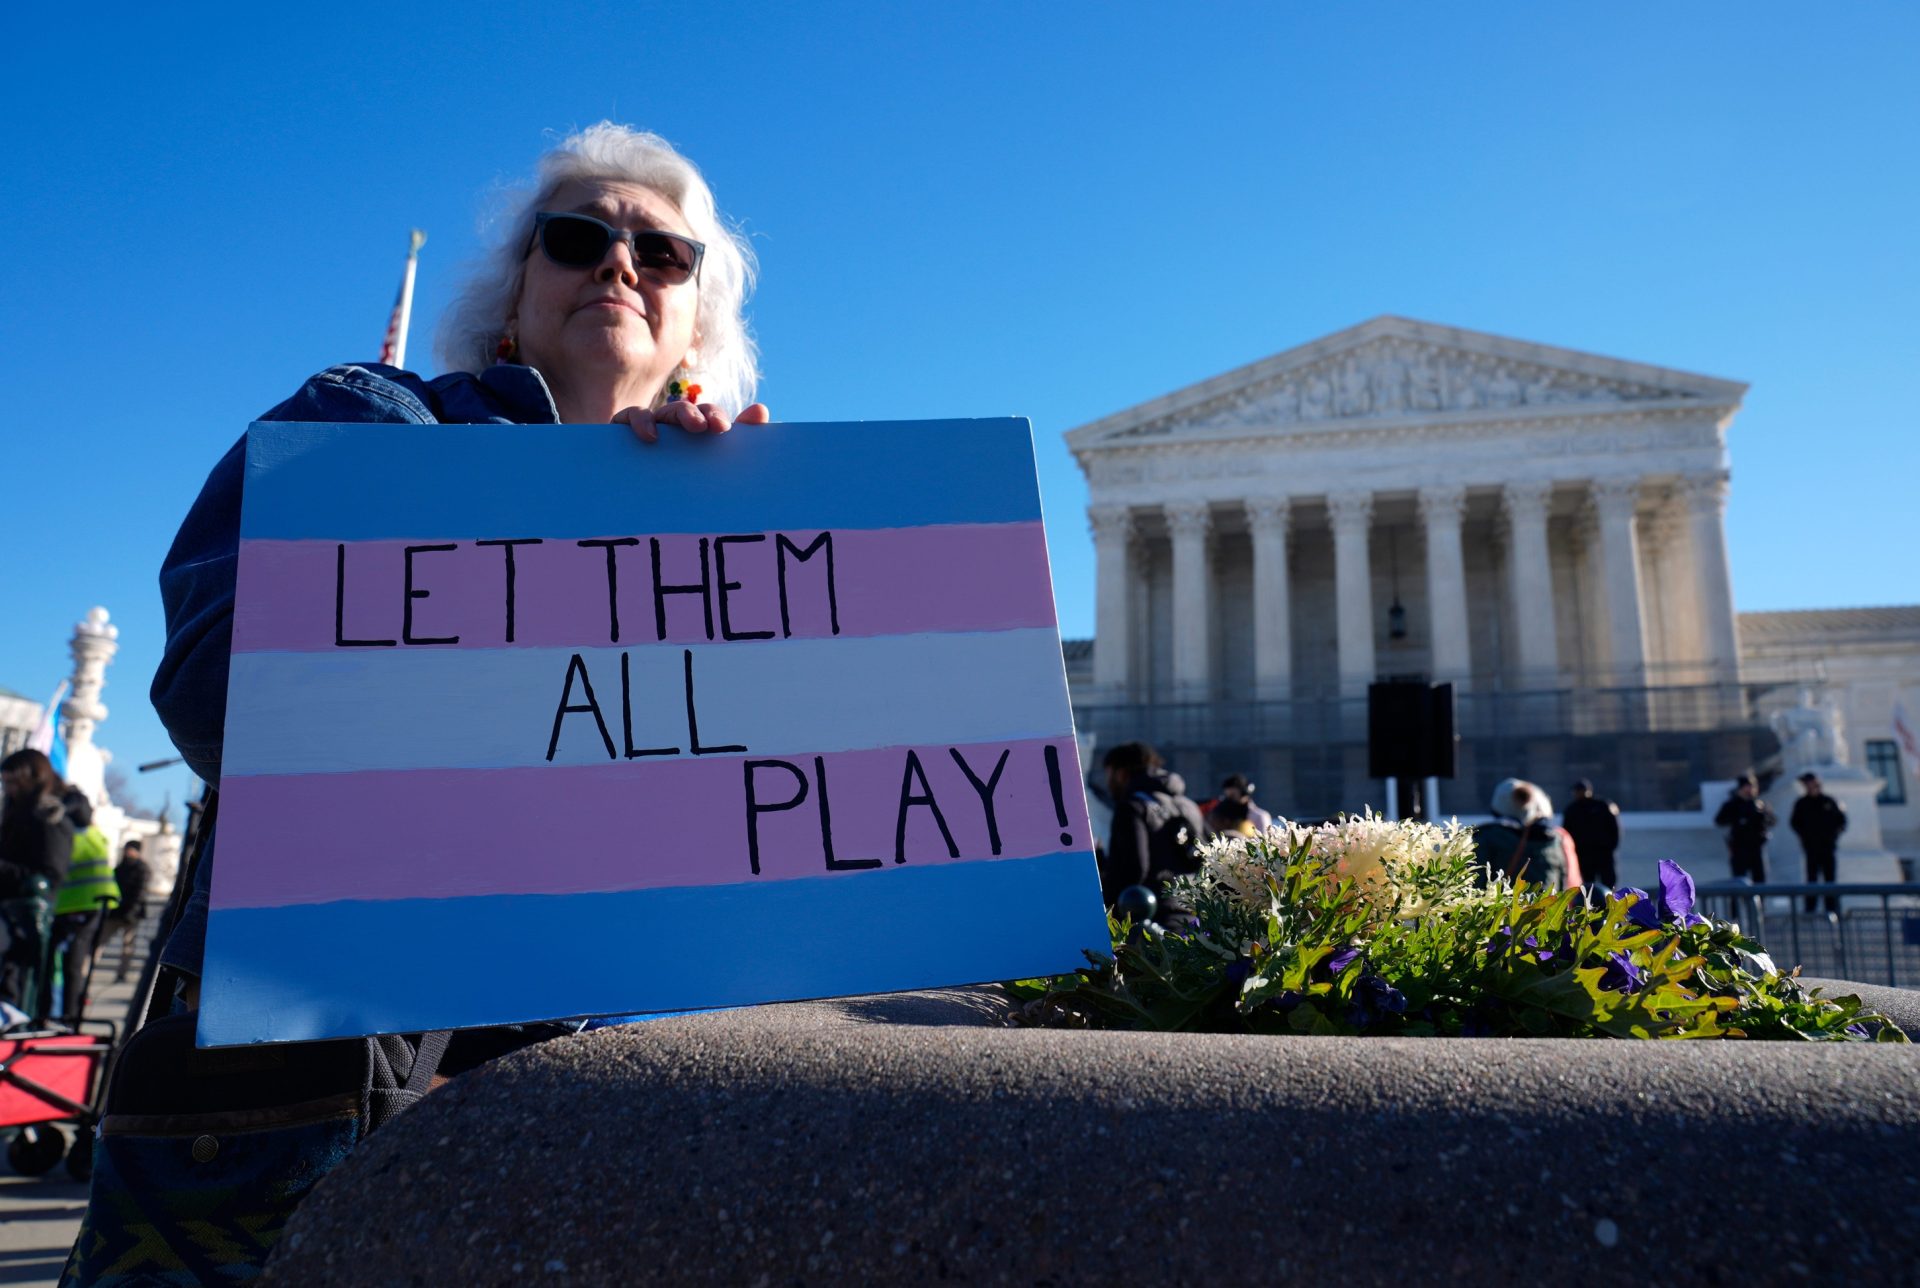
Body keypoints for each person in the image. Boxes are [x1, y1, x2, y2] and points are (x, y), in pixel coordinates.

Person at [83, 123, 771, 1283]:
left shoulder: (736, 527)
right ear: (512, 294)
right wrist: (568, 539)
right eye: (578, 238)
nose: (619, 265)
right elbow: (216, 686)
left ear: (696, 325)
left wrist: (729, 570)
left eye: (663, 256)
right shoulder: (371, 420)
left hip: (600, 1129)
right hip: (306, 1109)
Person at [0, 749, 74, 1012]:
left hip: (23, 921)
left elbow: (49, 875)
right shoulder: (12, 814)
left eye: (12, 783)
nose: (8, 790)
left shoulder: (48, 819)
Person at [1097, 742, 1207, 908]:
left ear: (1121, 773)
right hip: (1193, 913)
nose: (1107, 782)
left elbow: (1133, 870)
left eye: (1108, 773)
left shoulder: (1132, 807)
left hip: (1153, 917)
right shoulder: (1189, 806)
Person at [49, 788, 118, 1024]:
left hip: (72, 905)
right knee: (74, 965)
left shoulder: (69, 836)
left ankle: (65, 1016)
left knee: (65, 964)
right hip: (97, 903)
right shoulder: (94, 833)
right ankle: (71, 1017)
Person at [1473, 778, 1577, 891]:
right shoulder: (1555, 840)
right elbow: (1564, 885)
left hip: (1505, 907)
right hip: (1546, 907)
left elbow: (1476, 885)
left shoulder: (1487, 837)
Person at [1788, 771, 1847, 914]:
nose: (1809, 786)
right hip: (1811, 848)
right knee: (1812, 879)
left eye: (1811, 783)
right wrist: (1805, 837)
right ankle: (1810, 909)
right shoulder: (1802, 803)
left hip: (1828, 846)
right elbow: (1795, 823)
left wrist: (1833, 836)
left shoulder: (1829, 801)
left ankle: (1832, 909)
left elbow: (1841, 821)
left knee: (1830, 879)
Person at [104, 838, 152, 983]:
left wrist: (131, 913)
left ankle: (121, 974)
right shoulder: (120, 868)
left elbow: (140, 893)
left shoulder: (143, 869)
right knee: (101, 941)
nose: (128, 852)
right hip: (116, 913)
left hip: (131, 915)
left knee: (127, 946)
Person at [1560, 779, 1621, 890]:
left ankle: (1612, 906)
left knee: (1609, 885)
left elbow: (1615, 828)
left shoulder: (1603, 806)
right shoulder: (1571, 810)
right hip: (1584, 855)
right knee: (1588, 887)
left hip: (1604, 854)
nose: (1577, 793)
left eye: (1579, 790)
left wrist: (1610, 847)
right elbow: (1566, 834)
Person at [1713, 775, 1774, 883]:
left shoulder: (1760, 805)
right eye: (1747, 787)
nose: (1750, 790)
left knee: (1760, 881)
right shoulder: (1732, 804)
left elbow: (1772, 821)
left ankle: (1760, 900)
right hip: (1739, 847)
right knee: (1739, 880)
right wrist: (1738, 819)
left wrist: (1763, 816)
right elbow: (1719, 820)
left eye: (1752, 787)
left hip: (1757, 847)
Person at [1205, 773, 1272, 834]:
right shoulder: (1217, 814)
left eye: (1233, 795)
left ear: (1245, 793)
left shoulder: (1259, 816)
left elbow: (1264, 841)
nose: (1229, 799)